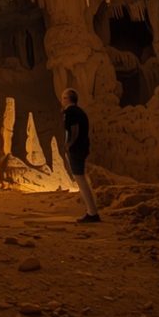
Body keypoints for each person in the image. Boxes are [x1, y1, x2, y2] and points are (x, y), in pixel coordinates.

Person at [61, 87, 100, 223]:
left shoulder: (70, 112)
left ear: (67, 99)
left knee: (80, 179)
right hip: (82, 147)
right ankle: (92, 210)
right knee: (82, 178)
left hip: (76, 148)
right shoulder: (80, 111)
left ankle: (92, 212)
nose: (62, 100)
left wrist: (69, 144)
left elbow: (73, 129)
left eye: (63, 97)